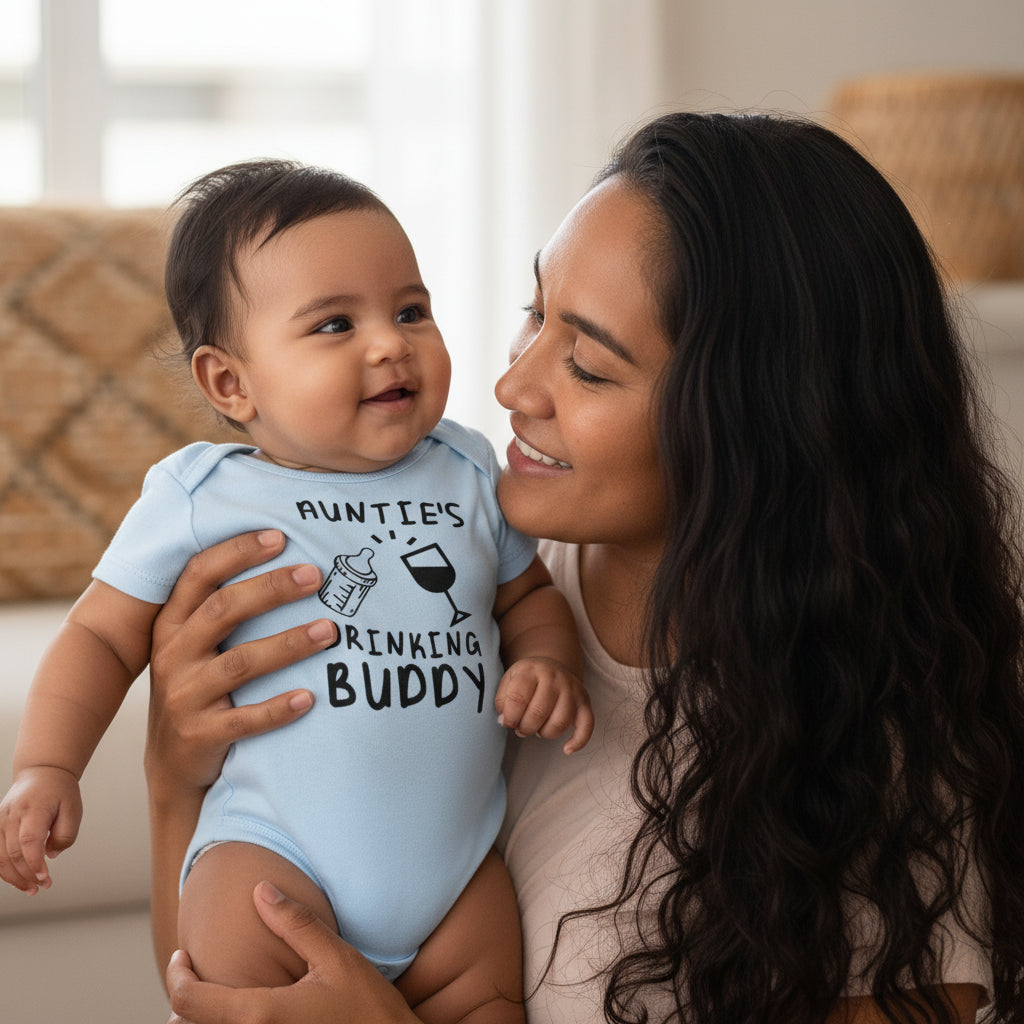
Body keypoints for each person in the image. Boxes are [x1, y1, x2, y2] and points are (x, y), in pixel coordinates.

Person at [145, 113, 1024, 1024]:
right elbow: (207, 989)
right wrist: (176, 781)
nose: (513, 386)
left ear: (759, 426)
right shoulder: (480, 580)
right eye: (534, 314)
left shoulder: (879, 788)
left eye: (590, 368)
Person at [0, 160, 593, 1020]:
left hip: (457, 876)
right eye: (333, 325)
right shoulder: (203, 494)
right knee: (232, 979)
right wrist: (47, 767)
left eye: (410, 311)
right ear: (231, 383)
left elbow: (528, 596)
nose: (389, 342)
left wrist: (547, 661)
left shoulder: (466, 469)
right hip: (275, 862)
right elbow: (99, 637)